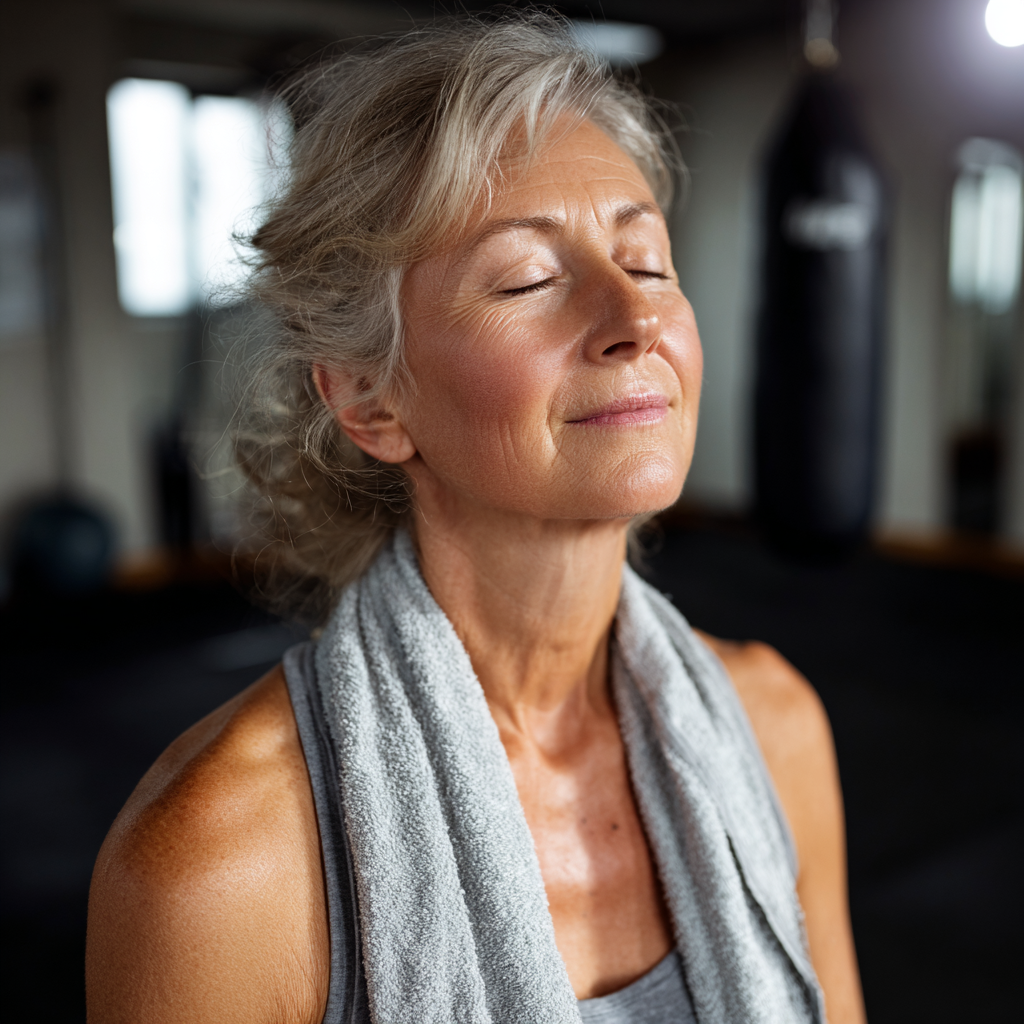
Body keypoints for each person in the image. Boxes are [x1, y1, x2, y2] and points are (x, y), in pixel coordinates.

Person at [86, 14, 866, 1024]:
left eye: (647, 262)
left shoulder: (778, 727)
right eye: (528, 279)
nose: (634, 321)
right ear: (370, 400)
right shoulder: (219, 862)